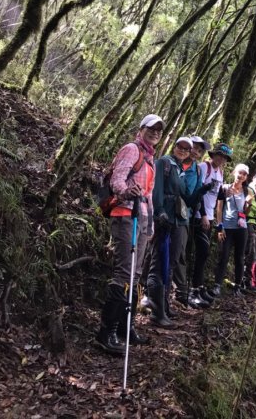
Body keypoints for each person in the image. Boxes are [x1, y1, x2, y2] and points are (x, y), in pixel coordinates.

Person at [95, 113, 164, 355]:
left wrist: (152, 225)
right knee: (124, 272)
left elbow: (150, 195)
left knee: (135, 274)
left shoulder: (150, 158)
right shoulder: (131, 149)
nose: (155, 133)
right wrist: (126, 191)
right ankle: (107, 333)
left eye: (159, 130)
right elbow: (117, 181)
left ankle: (126, 327)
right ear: (142, 128)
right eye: (152, 128)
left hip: (143, 217)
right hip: (125, 214)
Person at [147, 136, 193, 328]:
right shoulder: (164, 163)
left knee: (169, 262)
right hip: (164, 220)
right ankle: (156, 311)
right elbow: (156, 190)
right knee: (158, 263)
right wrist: (159, 212)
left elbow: (184, 195)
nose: (182, 150)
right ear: (174, 147)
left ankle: (163, 306)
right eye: (180, 146)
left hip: (176, 220)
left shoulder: (179, 168)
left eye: (186, 149)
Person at [173, 135, 212, 309]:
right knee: (162, 252)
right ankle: (148, 289)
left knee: (180, 252)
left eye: (200, 150)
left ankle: (181, 293)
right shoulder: (173, 162)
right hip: (167, 213)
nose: (196, 152)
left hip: (185, 215)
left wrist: (200, 200)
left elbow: (194, 195)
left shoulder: (198, 170)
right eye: (195, 147)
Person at [191, 143, 233, 300]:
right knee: (201, 252)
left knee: (203, 254)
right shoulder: (204, 167)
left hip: (209, 217)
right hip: (198, 216)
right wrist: (202, 214)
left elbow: (216, 195)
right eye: (219, 155)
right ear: (213, 154)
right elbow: (198, 191)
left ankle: (199, 288)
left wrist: (225, 194)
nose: (221, 159)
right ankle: (193, 289)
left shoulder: (220, 173)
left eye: (224, 157)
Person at [210, 164, 250, 296]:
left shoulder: (246, 191)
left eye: (244, 174)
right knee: (224, 256)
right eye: (240, 173)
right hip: (227, 227)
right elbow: (219, 208)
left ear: (246, 177)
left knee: (240, 258)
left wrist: (249, 204)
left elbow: (246, 212)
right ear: (234, 173)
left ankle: (237, 287)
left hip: (241, 228)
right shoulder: (225, 187)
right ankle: (217, 286)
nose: (241, 176)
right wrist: (220, 227)